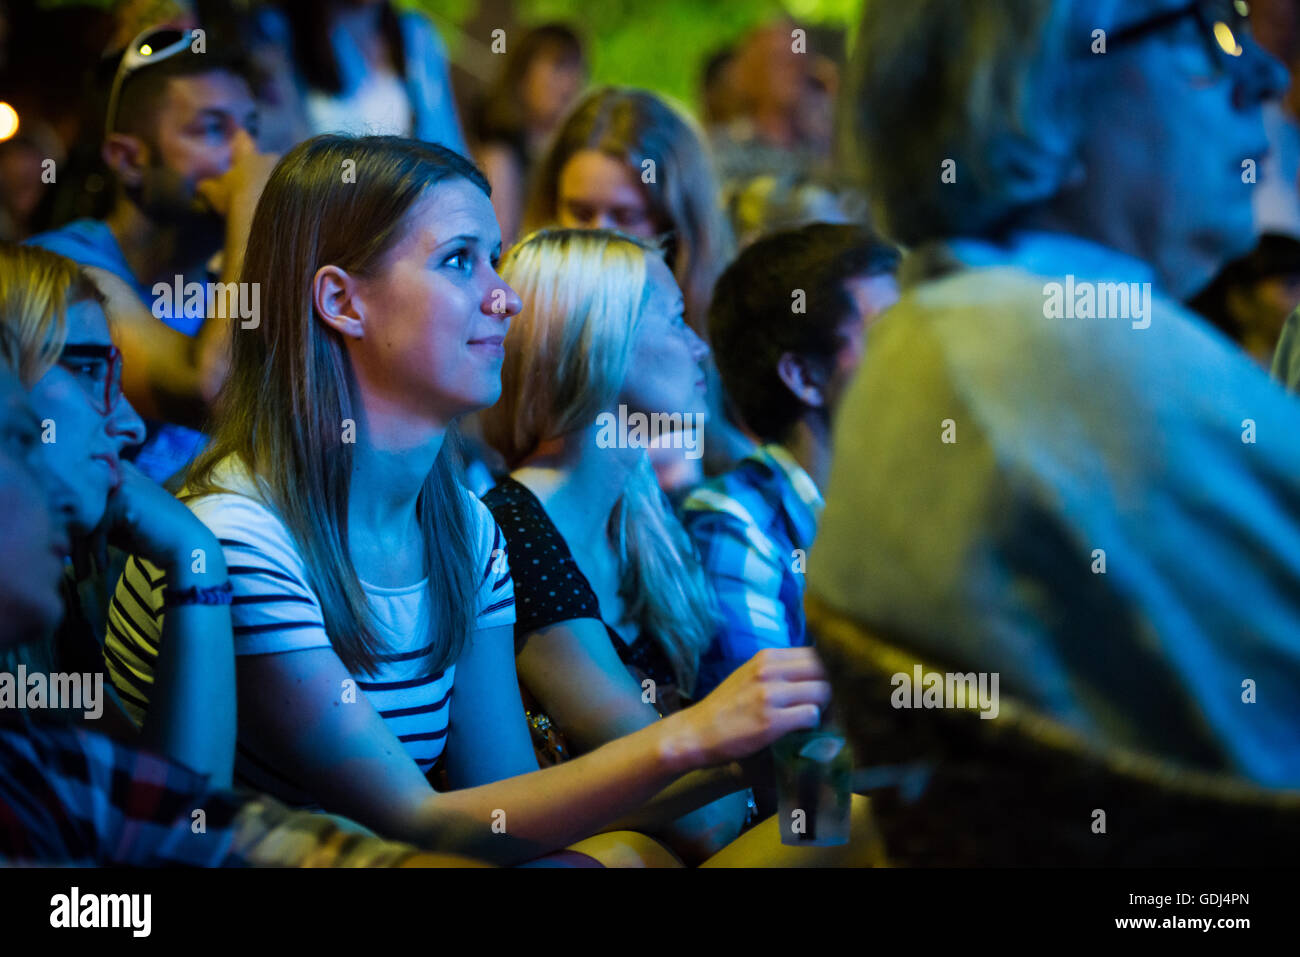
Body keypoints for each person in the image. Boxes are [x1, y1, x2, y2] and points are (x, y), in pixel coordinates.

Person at [105, 134, 858, 867]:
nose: (505, 297)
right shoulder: (239, 533)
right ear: (341, 300)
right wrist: (702, 735)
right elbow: (417, 820)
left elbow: (500, 804)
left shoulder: (465, 526)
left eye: (494, 261)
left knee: (827, 830)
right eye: (460, 260)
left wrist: (756, 750)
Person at [809, 0, 1300, 788]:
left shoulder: (943, 321)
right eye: (1207, 27)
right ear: (1032, 91)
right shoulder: (1070, 353)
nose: (1264, 74)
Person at [478, 227, 884, 865]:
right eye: (674, 320)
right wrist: (807, 737)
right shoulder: (514, 530)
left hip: (722, 836)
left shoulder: (643, 521)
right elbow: (701, 821)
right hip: (646, 855)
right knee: (859, 822)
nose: (699, 349)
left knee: (867, 814)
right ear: (598, 341)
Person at [0, 242, 232, 780]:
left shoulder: (45, 597)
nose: (129, 426)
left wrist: (195, 555)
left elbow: (165, 820)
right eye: (87, 369)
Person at [27, 26, 277, 483]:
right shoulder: (59, 271)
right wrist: (252, 207)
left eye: (252, 132)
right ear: (127, 159)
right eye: (213, 129)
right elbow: (210, 389)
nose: (248, 156)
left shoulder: (224, 285)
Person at [681, 224, 900, 698]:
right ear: (804, 376)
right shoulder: (738, 524)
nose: (918, 353)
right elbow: (782, 745)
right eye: (889, 333)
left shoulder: (923, 500)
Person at [522, 86, 750, 489]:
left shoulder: (725, 327)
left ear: (676, 224)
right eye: (580, 212)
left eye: (625, 215)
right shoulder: (517, 323)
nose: (599, 236)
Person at [275, 0, 465, 150]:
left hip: (403, 194)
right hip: (322, 195)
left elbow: (448, 148)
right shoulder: (278, 32)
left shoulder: (416, 36)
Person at [471, 23, 587, 244]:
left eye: (577, 69)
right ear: (522, 75)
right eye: (558, 66)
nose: (570, 83)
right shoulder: (499, 159)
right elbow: (498, 251)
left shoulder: (569, 157)